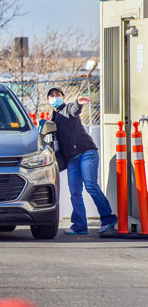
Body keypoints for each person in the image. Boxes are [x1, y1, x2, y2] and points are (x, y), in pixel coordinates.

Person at [48, 87, 117, 235]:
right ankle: (80, 225)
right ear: (48, 100)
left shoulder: (66, 109)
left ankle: (108, 218)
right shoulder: (53, 118)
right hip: (72, 158)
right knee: (74, 191)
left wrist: (78, 103)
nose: (55, 97)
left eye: (57, 94)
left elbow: (74, 110)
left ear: (63, 96)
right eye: (52, 95)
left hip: (86, 152)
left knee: (90, 185)